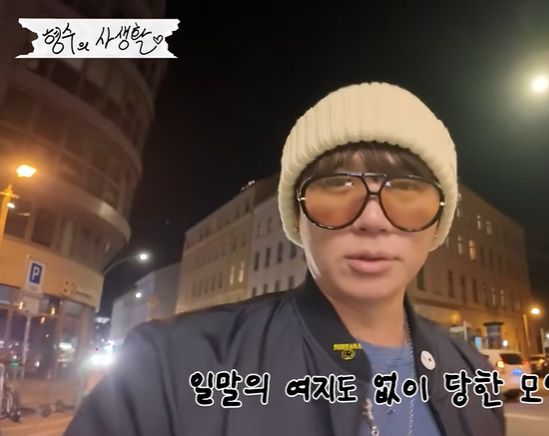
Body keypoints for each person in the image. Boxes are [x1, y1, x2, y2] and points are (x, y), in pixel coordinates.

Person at [65, 82, 505, 436]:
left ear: (438, 221)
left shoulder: (471, 373)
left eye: (406, 188)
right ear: (296, 216)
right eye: (338, 185)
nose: (372, 219)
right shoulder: (172, 367)